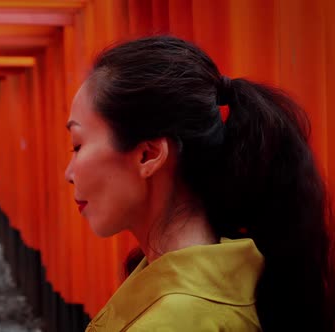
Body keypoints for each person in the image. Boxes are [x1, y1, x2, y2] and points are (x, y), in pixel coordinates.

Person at [64, 36, 334, 332]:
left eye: (77, 145)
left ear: (148, 155)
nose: (69, 172)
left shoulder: (175, 321)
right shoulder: (233, 279)